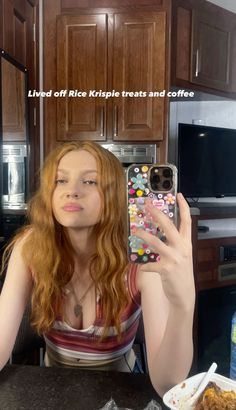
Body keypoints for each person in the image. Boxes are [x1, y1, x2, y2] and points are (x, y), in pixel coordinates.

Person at [0, 141, 195, 396]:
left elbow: (166, 385)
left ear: (114, 194)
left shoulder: (141, 261)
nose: (72, 191)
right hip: (53, 389)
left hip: (121, 390)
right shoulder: (29, 248)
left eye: (90, 181)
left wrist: (184, 305)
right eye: (60, 180)